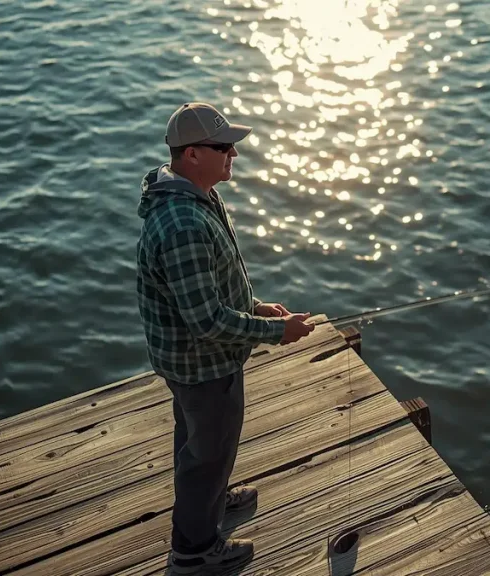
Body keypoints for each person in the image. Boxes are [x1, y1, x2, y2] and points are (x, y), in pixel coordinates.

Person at [135, 102, 315, 574]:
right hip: (204, 365)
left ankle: (211, 496)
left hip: (193, 362)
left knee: (200, 444)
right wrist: (277, 332)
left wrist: (254, 307)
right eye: (223, 147)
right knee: (208, 451)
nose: (233, 153)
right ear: (192, 154)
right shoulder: (184, 224)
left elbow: (211, 290)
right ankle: (194, 552)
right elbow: (208, 322)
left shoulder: (196, 194)